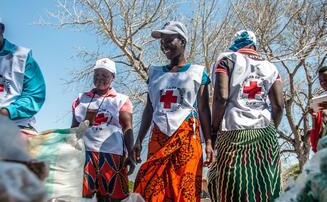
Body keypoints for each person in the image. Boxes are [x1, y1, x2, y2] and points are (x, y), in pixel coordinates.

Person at [132, 21, 214, 201]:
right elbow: (149, 108)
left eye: (169, 40)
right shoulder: (154, 73)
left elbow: (204, 110)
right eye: (162, 41)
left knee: (184, 189)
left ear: (182, 42)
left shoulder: (197, 72)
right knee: (152, 187)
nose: (164, 45)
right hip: (159, 137)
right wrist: (138, 139)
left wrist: (208, 141)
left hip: (186, 138)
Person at [208, 30, 284, 202]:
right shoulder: (271, 67)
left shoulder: (227, 59)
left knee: (232, 187)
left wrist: (213, 131)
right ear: (254, 45)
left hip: (233, 133)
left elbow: (221, 98)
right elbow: (278, 106)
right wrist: (271, 129)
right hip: (265, 134)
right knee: (265, 188)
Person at [71, 58, 135, 201]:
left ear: (113, 77)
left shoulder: (121, 99)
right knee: (82, 196)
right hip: (85, 153)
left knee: (110, 197)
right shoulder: (81, 99)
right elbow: (74, 129)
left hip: (112, 154)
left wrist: (131, 154)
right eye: (96, 75)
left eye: (105, 75)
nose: (100, 78)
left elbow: (127, 127)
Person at [0, 19, 46, 131]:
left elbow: (34, 95)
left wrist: (7, 112)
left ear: (1, 29)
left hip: (16, 125)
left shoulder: (22, 57)